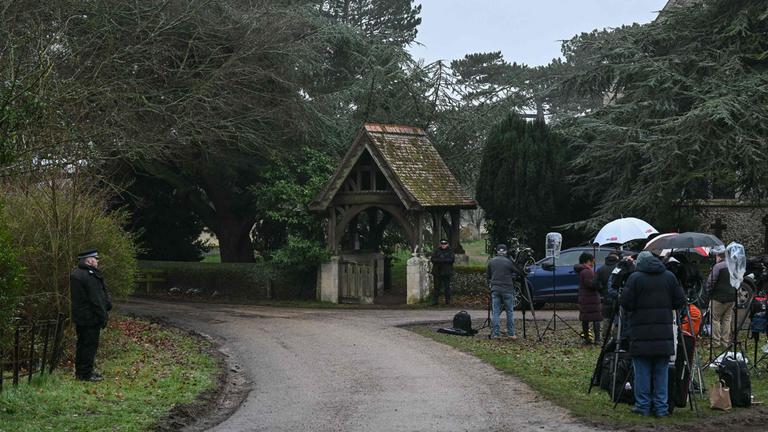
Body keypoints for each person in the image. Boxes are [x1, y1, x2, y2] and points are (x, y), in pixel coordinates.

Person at [620, 251, 685, 417]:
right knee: (661, 373)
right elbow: (679, 301)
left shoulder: (635, 278)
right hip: (663, 333)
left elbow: (626, 304)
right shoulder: (669, 277)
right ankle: (661, 407)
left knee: (642, 372)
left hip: (640, 332)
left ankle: (643, 406)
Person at [70, 249, 112, 382]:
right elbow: (96, 299)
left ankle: (81, 372)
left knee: (82, 344)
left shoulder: (76, 273)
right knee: (89, 345)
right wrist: (103, 316)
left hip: (81, 317)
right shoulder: (89, 276)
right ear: (89, 260)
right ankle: (86, 374)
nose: (97, 261)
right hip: (90, 318)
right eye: (96, 259)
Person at [486, 244, 524, 339]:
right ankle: (511, 334)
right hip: (507, 289)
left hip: (495, 289)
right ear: (506, 252)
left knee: (495, 312)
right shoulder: (509, 262)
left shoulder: (491, 262)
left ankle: (496, 334)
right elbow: (519, 272)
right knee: (509, 312)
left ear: (497, 251)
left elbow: (488, 276)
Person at [705, 247, 733, 348]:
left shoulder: (718, 267)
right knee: (727, 320)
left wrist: (708, 292)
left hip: (718, 297)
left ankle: (715, 342)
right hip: (731, 298)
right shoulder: (732, 266)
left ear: (718, 256)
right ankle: (725, 342)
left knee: (715, 319)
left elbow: (710, 282)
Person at [576, 252, 601, 344]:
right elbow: (590, 284)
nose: (593, 263)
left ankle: (587, 337)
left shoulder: (582, 271)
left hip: (585, 298)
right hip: (591, 298)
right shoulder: (587, 271)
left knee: (585, 319)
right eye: (592, 260)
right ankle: (597, 339)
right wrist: (598, 284)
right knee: (596, 318)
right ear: (588, 261)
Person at [596, 252, 621, 339]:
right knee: (617, 318)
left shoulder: (601, 269)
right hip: (617, 296)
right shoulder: (619, 269)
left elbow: (596, 283)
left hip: (606, 296)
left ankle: (605, 336)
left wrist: (602, 291)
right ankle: (615, 336)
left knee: (606, 318)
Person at [430, 239, 455, 305]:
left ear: (447, 244)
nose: (443, 245)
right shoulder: (437, 251)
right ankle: (435, 301)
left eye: (445, 243)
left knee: (447, 287)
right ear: (440, 244)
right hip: (437, 272)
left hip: (446, 272)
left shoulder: (450, 251)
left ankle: (448, 301)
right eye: (442, 244)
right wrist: (443, 260)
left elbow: (451, 260)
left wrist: (440, 260)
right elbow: (432, 259)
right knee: (436, 287)